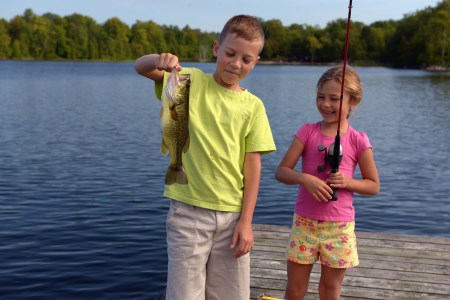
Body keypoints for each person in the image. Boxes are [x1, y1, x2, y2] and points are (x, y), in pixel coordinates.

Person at [135, 15, 276, 300]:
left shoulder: (254, 107)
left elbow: (253, 166)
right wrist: (159, 59)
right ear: (216, 48)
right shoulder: (188, 81)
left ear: (256, 62)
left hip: (232, 218)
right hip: (188, 213)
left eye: (246, 59)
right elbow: (140, 67)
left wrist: (246, 221)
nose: (236, 64)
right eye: (230, 53)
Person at [275, 65, 380, 300]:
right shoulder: (307, 132)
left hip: (339, 227)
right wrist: (305, 179)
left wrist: (348, 182)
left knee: (330, 290)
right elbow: (282, 171)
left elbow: (373, 185)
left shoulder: (358, 140)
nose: (326, 104)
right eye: (321, 97)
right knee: (294, 289)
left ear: (354, 101)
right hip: (305, 223)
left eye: (334, 98)